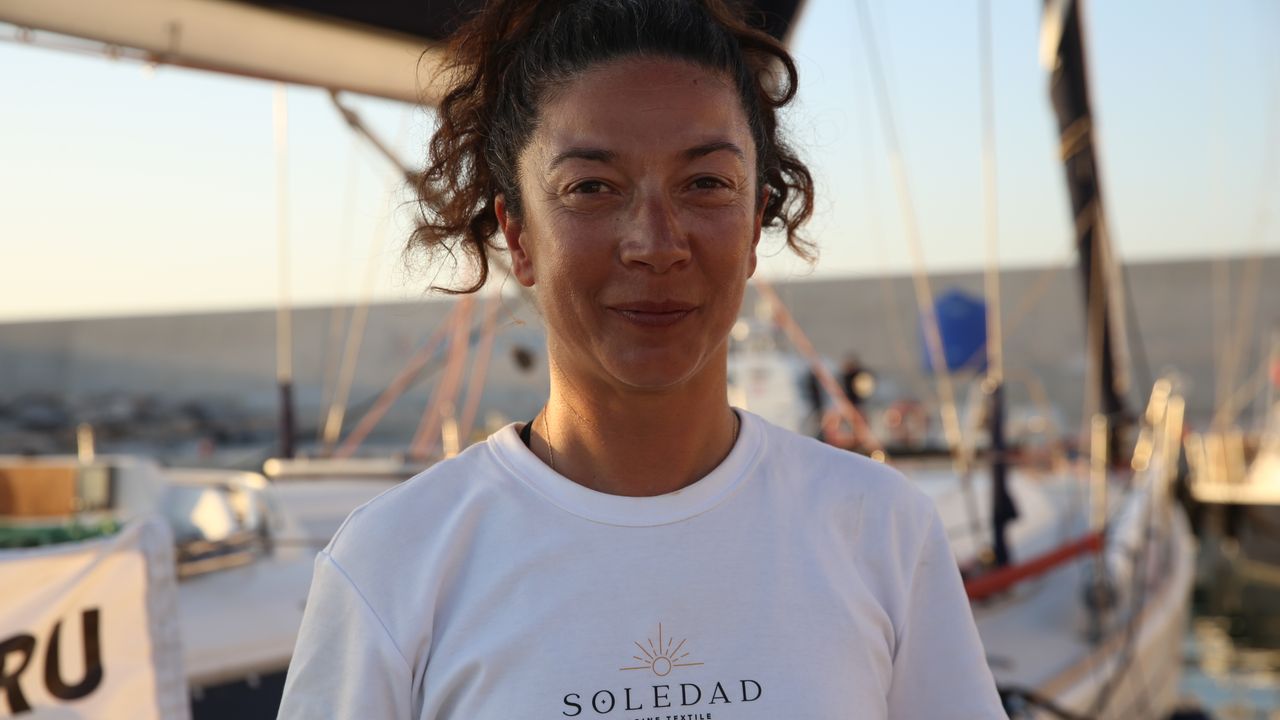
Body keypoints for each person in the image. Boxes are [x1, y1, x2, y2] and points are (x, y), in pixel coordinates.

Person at [277, 1, 1006, 718]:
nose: (656, 244)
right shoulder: (390, 566)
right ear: (519, 236)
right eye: (591, 188)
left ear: (755, 224)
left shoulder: (882, 531)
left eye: (706, 184)